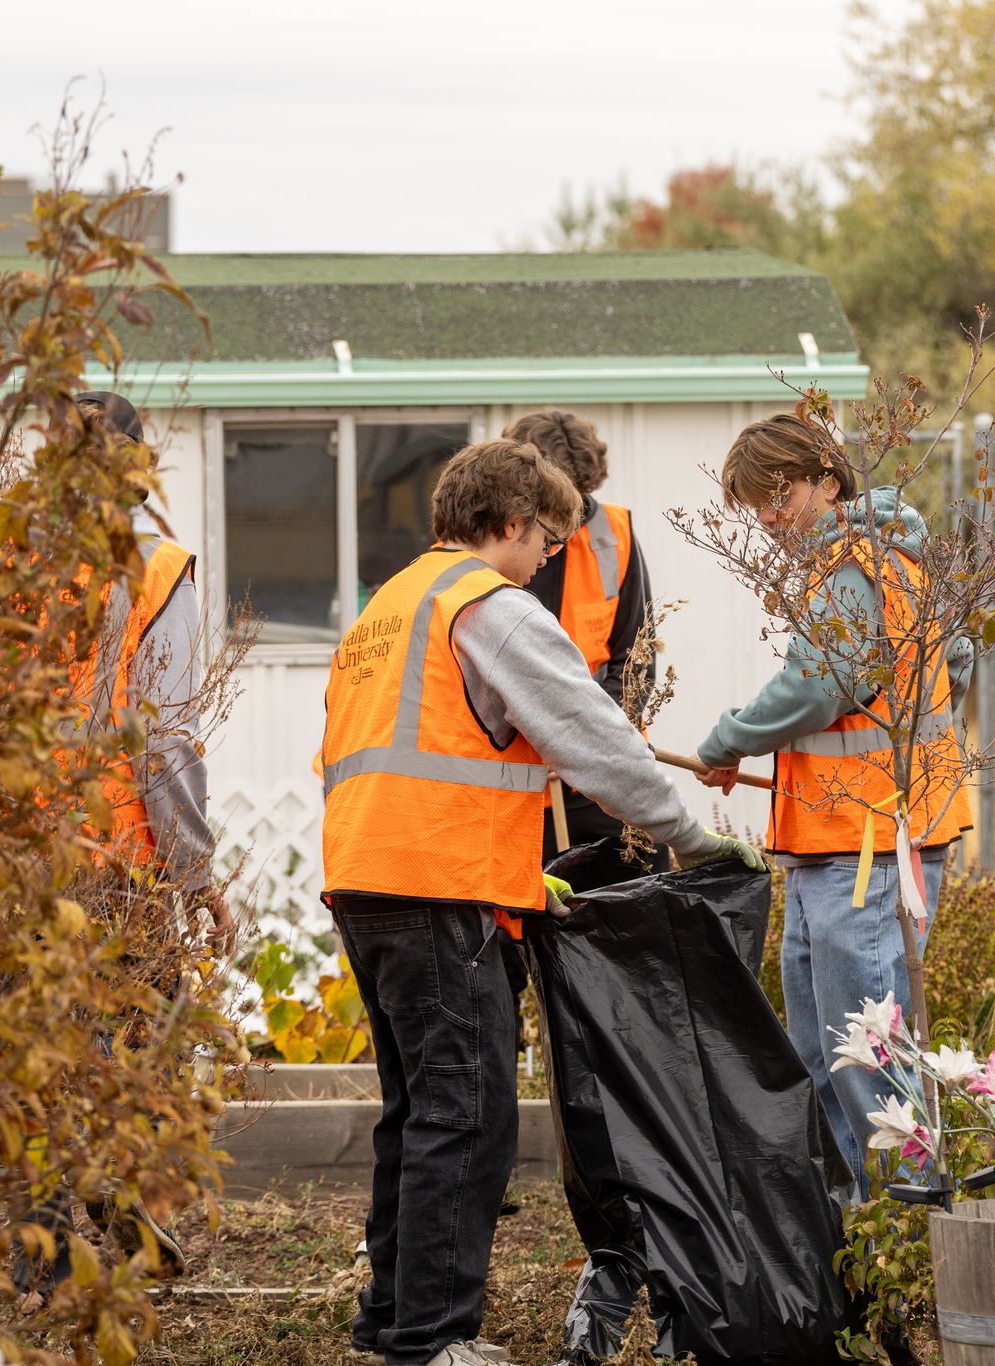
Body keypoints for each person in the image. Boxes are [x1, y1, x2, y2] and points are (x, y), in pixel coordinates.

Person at [321, 438, 764, 1366]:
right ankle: (434, 1343)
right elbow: (593, 739)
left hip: (370, 879)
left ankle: (391, 1324)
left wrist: (524, 869)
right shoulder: (489, 607)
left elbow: (431, 754)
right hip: (438, 889)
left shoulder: (390, 606)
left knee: (417, 1111)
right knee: (467, 1114)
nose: (549, 561)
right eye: (545, 543)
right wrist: (688, 834)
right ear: (510, 525)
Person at [692, 412, 973, 1190]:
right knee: (830, 1050)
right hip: (854, 840)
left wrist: (731, 738)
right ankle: (858, 1222)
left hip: (867, 846)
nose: (769, 517)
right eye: (758, 504)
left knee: (864, 1055)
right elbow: (961, 659)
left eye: (779, 496)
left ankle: (903, 1219)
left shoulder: (850, 561)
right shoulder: (892, 553)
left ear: (827, 480)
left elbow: (829, 681)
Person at [12, 391, 228, 1299]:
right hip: (109, 857)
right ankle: (123, 1210)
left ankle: (43, 1250)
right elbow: (164, 735)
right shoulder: (153, 565)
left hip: (6, 850)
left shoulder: (3, 555)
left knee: (27, 1051)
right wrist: (198, 873)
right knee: (141, 1035)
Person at [502, 409, 659, 873]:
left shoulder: (616, 533)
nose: (570, 518)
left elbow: (636, 661)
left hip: (605, 769)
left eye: (580, 499)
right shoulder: (496, 545)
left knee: (638, 895)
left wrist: (581, 745)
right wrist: (548, 746)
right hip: (519, 780)